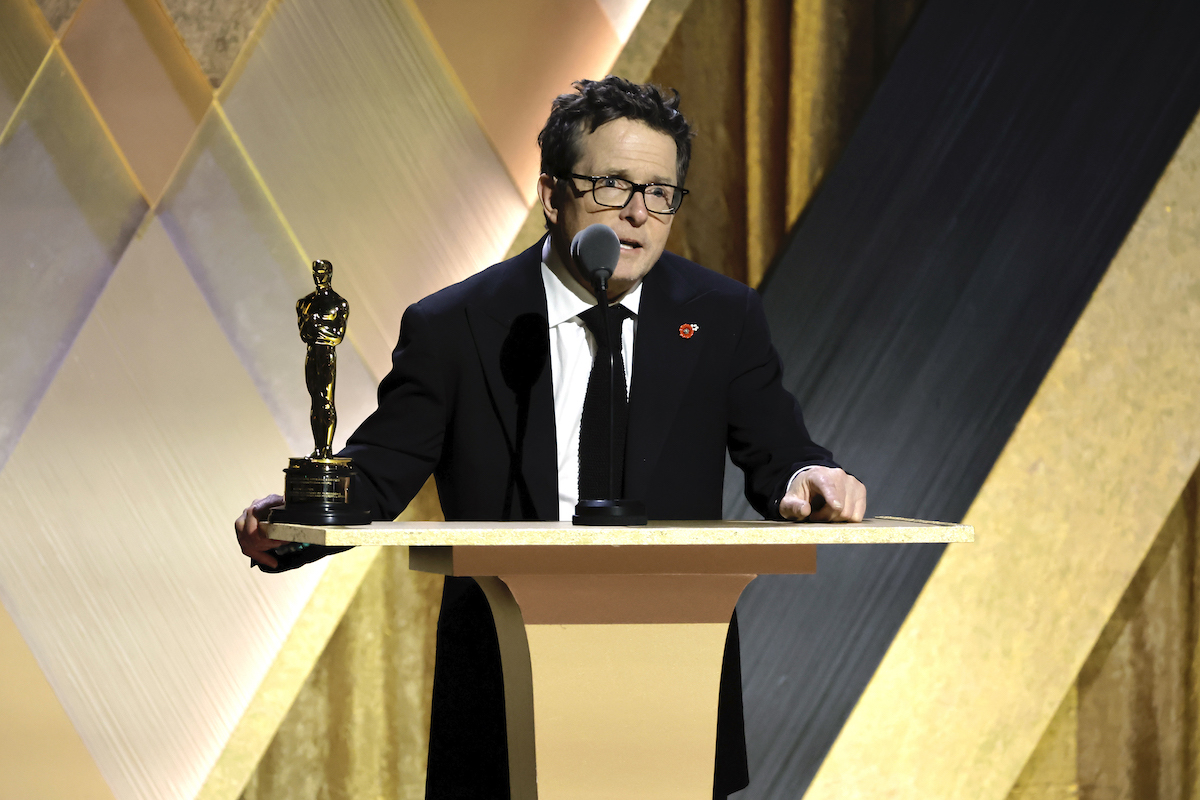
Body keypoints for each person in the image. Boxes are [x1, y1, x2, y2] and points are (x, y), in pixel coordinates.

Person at [236, 76, 866, 799]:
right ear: (551, 193)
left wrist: (809, 477)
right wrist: (294, 518)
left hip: (671, 700)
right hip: (505, 697)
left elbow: (778, 452)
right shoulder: (456, 325)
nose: (637, 213)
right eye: (610, 185)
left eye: (660, 192)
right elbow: (379, 470)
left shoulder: (721, 316)